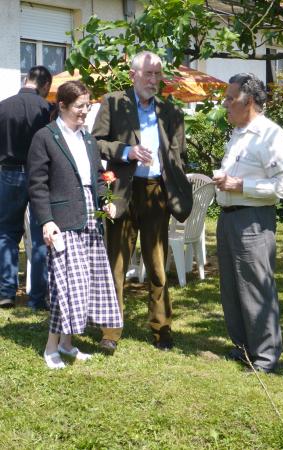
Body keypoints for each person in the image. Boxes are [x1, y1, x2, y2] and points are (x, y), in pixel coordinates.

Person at [92, 51, 193, 352]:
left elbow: (180, 154)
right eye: (148, 73)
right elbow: (95, 141)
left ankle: (161, 329)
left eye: (158, 73)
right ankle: (110, 331)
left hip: (155, 192)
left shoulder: (170, 111)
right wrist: (127, 152)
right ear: (133, 74)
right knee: (117, 263)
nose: (153, 79)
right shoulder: (114, 102)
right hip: (122, 189)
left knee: (158, 264)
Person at [27, 80, 123, 369]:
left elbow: (97, 175)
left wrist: (107, 200)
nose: (85, 111)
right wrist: (46, 221)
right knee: (64, 286)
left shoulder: (88, 139)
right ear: (63, 106)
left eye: (88, 106)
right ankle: (50, 348)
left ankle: (68, 344)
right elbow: (37, 185)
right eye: (80, 106)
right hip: (62, 221)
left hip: (89, 218)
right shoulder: (45, 137)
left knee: (83, 285)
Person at [213, 73, 283, 373]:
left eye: (230, 98)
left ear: (248, 101)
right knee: (233, 287)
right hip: (230, 218)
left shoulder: (271, 135)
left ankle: (265, 357)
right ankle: (244, 347)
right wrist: (226, 179)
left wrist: (240, 186)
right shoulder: (238, 132)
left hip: (254, 220)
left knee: (256, 286)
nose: (225, 104)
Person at [0, 65, 52, 310]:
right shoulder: (46, 109)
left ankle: (6, 292)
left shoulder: (4, 106)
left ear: (26, 80)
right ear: (45, 86)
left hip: (9, 172)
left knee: (7, 234)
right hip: (39, 175)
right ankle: (37, 298)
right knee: (42, 236)